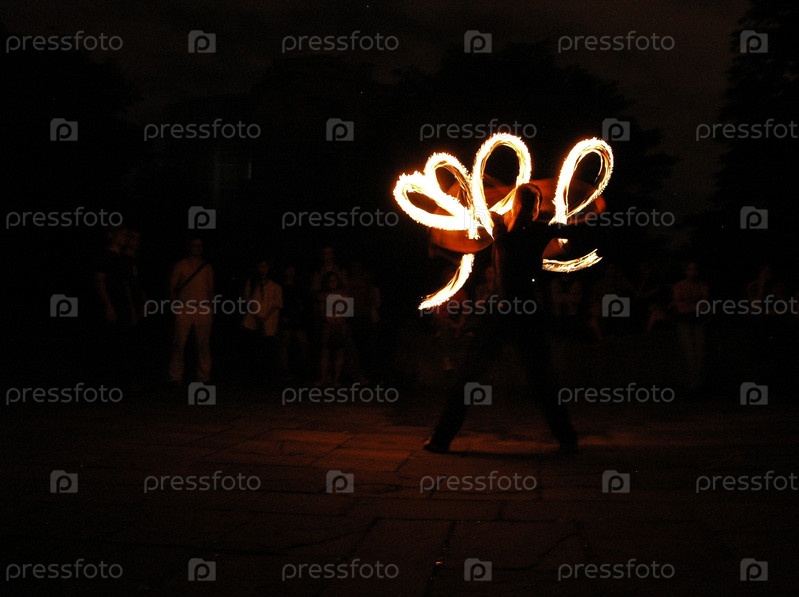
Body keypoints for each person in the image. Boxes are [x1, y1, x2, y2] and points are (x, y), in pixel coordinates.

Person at [423, 183, 582, 455]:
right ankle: (567, 438)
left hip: (503, 314)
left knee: (472, 377)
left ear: (516, 205)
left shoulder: (503, 228)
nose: (531, 210)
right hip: (521, 313)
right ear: (531, 209)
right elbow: (568, 232)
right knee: (540, 379)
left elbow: (488, 232)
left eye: (531, 205)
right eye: (533, 204)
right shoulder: (533, 230)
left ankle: (441, 439)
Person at [168, 237, 214, 385]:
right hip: (185, 306)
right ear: (189, 248)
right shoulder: (180, 265)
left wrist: (210, 307)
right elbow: (172, 287)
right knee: (179, 343)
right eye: (195, 246)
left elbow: (210, 289)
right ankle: (175, 376)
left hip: (202, 307)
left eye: (200, 246)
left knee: (203, 344)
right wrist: (176, 305)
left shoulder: (207, 267)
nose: (197, 248)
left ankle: (204, 376)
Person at [242, 258, 283, 383]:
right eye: (260, 267)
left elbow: (276, 304)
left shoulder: (275, 286)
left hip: (269, 324)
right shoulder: (252, 283)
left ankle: (268, 377)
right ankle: (254, 377)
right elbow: (248, 301)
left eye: (265, 267)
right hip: (252, 323)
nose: (263, 270)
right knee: (254, 351)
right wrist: (257, 316)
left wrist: (265, 317)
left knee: (267, 351)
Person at [671, 261, 709, 391]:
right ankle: (692, 383)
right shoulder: (679, 286)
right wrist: (694, 306)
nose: (693, 272)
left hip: (699, 321)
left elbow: (704, 304)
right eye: (690, 269)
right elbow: (678, 305)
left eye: (695, 269)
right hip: (684, 322)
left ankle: (697, 383)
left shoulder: (702, 286)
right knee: (690, 353)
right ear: (686, 271)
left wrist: (688, 306)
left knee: (700, 353)